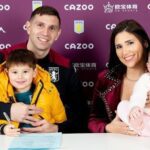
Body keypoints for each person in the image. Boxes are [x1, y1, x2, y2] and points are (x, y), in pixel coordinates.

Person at [0, 5, 88, 133]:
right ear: (28, 27)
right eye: (40, 25)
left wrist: (57, 128)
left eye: (52, 28)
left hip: (49, 141)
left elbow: (81, 114)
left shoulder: (64, 66)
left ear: (58, 34)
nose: (45, 33)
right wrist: (7, 110)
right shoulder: (4, 58)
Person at [88, 19, 150, 135]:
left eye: (130, 43)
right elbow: (93, 120)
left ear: (145, 43)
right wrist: (108, 128)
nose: (125, 51)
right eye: (119, 46)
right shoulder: (105, 78)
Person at [0, 49, 67, 135]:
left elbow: (60, 117)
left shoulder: (49, 90)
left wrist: (56, 127)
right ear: (7, 72)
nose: (20, 76)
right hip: (13, 140)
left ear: (34, 72)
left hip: (44, 138)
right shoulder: (2, 92)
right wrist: (4, 129)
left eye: (25, 71)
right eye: (15, 72)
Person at [117, 53, 150, 136]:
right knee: (122, 105)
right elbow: (138, 94)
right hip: (144, 115)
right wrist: (135, 107)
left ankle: (142, 130)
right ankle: (138, 127)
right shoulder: (145, 79)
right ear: (148, 66)